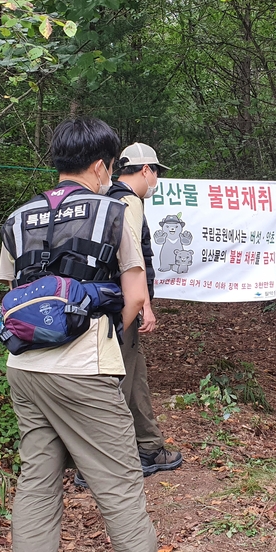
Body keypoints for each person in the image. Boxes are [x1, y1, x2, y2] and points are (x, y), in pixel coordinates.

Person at [0, 117, 219, 552]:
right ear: (101, 166)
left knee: (37, 481)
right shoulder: (115, 213)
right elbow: (135, 299)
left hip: (24, 368)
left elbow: (11, 295)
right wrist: (100, 336)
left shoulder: (18, 218)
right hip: (85, 369)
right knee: (119, 483)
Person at [76, 143, 181, 481]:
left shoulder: (104, 196)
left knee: (134, 376)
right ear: (146, 170)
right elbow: (132, 257)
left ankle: (148, 447)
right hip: (122, 305)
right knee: (115, 382)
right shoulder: (129, 202)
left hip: (104, 302)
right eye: (156, 173)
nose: (156, 180)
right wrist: (143, 305)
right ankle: (95, 464)